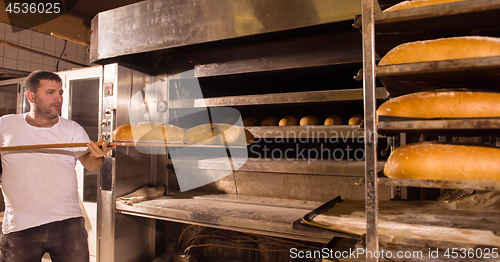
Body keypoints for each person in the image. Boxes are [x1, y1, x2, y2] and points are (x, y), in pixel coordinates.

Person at [0, 70, 115, 261]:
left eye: (60, 93)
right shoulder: (5, 125)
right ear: (31, 96)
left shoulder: (72, 128)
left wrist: (98, 156)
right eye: (50, 92)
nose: (58, 98)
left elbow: (92, 165)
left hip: (67, 225)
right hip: (20, 227)